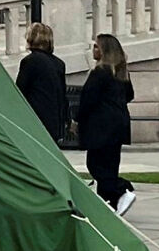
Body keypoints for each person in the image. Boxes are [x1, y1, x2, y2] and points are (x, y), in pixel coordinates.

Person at [77, 33, 136, 217]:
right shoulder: (120, 73)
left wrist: (77, 120)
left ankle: (122, 190)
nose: (93, 50)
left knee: (95, 165)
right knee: (109, 164)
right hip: (117, 126)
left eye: (96, 46)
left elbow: (88, 100)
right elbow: (129, 95)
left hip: (101, 127)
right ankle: (108, 203)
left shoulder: (100, 73)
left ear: (104, 51)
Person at [15, 21, 68, 143]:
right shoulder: (59, 64)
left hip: (36, 120)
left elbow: (20, 92)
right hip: (54, 121)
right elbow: (62, 96)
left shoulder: (30, 61)